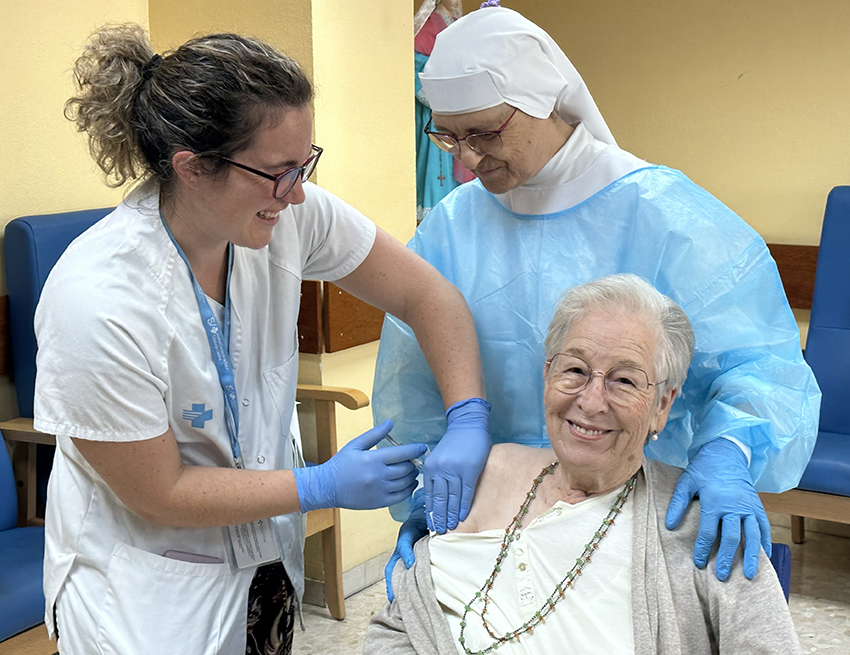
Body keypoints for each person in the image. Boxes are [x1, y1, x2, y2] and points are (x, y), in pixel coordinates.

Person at [36, 24, 487, 655]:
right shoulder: (97, 301)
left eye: (305, 164)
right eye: (278, 171)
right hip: (147, 601)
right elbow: (157, 490)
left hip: (263, 569)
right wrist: (320, 486)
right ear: (191, 168)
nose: (297, 193)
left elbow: (426, 295)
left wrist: (469, 415)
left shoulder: (286, 212)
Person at [374, 4, 820, 592]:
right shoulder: (452, 226)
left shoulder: (667, 216)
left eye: (484, 132)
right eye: (449, 135)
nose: (467, 158)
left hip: (640, 526)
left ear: (543, 99)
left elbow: (759, 363)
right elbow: (416, 382)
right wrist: (426, 495)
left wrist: (731, 451)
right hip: (496, 526)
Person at [365, 275, 802, 655]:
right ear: (546, 375)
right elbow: (398, 627)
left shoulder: (704, 524)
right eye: (574, 370)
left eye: (625, 380)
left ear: (662, 406)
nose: (590, 401)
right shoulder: (480, 477)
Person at [413, 0, 473, 223]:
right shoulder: (428, 25)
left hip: (458, 105)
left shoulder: (458, 23)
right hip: (437, 107)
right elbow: (416, 64)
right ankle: (435, 214)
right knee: (438, 157)